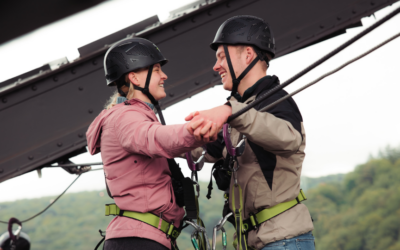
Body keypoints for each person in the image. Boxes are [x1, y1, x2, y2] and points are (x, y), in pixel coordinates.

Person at [185, 15, 315, 250]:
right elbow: (200, 149)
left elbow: (289, 139)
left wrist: (230, 110)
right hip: (254, 241)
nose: (216, 66)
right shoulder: (235, 111)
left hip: (284, 240)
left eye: (222, 57)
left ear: (248, 54)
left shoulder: (278, 100)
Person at [86, 37, 217, 250]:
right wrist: (202, 129)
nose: (164, 75)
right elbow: (155, 138)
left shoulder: (130, 115)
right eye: (156, 70)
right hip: (140, 242)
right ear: (134, 77)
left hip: (142, 239)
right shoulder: (125, 117)